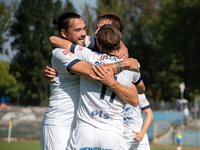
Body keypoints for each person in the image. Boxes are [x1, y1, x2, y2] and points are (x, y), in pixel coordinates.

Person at [41, 12, 143, 150]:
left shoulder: (87, 51)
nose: (84, 33)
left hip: (81, 126)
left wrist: (122, 46)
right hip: (60, 122)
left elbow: (137, 94)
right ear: (64, 33)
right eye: (78, 30)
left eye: (84, 28)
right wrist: (123, 64)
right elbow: (91, 71)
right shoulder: (61, 52)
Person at [66, 24, 141, 149]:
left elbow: (57, 41)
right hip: (113, 133)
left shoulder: (87, 56)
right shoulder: (131, 66)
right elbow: (140, 92)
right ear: (118, 45)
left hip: (85, 130)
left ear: (98, 43)